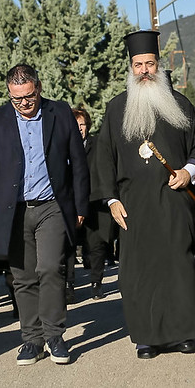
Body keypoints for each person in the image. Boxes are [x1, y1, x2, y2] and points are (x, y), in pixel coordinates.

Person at [94, 30, 195, 360]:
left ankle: (184, 332)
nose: (144, 71)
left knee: (179, 266)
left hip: (174, 202)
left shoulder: (179, 104)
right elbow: (103, 157)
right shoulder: (116, 108)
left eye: (149, 64)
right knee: (140, 274)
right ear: (131, 68)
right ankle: (147, 338)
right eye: (138, 65)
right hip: (133, 206)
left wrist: (189, 171)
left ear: (159, 65)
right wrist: (111, 200)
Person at [0, 64, 89, 366]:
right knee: (22, 277)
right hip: (12, 211)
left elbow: (78, 162)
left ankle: (54, 335)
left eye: (29, 96)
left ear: (38, 88)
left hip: (52, 206)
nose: (24, 103)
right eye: (17, 98)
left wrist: (80, 206)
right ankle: (32, 340)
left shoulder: (59, 113)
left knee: (50, 268)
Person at [73, 108, 116, 300]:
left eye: (82, 124)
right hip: (72, 203)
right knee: (68, 245)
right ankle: (68, 287)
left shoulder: (98, 144)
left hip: (95, 200)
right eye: (75, 125)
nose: (79, 128)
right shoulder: (63, 145)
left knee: (97, 245)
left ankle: (96, 283)